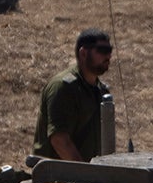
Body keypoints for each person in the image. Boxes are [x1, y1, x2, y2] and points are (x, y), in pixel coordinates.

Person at [31, 29, 114, 163]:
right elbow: (59, 140)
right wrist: (83, 172)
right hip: (56, 176)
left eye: (109, 50)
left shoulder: (101, 91)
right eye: (102, 50)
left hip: (87, 174)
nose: (108, 56)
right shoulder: (63, 87)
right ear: (83, 53)